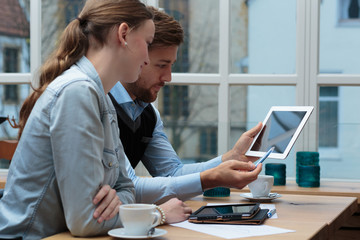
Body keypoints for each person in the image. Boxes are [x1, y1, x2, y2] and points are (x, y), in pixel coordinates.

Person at [0, 1, 189, 239]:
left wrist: (118, 198)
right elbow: (86, 221)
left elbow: (126, 187)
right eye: (148, 43)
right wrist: (157, 213)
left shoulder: (101, 98)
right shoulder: (77, 92)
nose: (147, 57)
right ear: (123, 35)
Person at [107, 6, 263, 205]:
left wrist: (232, 158)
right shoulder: (99, 106)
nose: (168, 77)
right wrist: (211, 178)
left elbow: (172, 172)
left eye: (172, 66)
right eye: (161, 65)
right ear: (137, 55)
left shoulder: (147, 114)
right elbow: (129, 187)